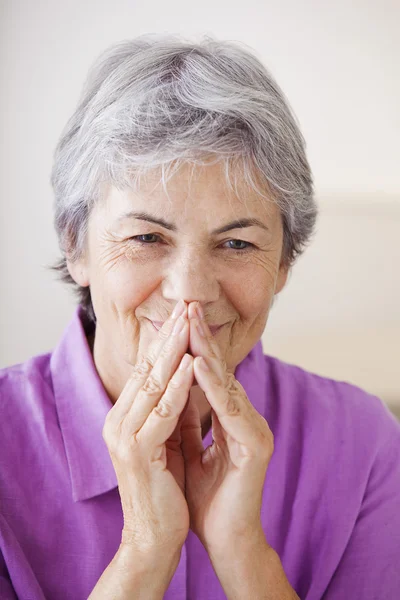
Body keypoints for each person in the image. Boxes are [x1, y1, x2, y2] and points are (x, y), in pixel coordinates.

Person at [0, 33, 399, 600]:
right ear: (76, 246)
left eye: (236, 244)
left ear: (285, 263)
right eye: (146, 237)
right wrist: (144, 550)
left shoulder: (367, 447)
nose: (190, 293)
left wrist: (243, 551)